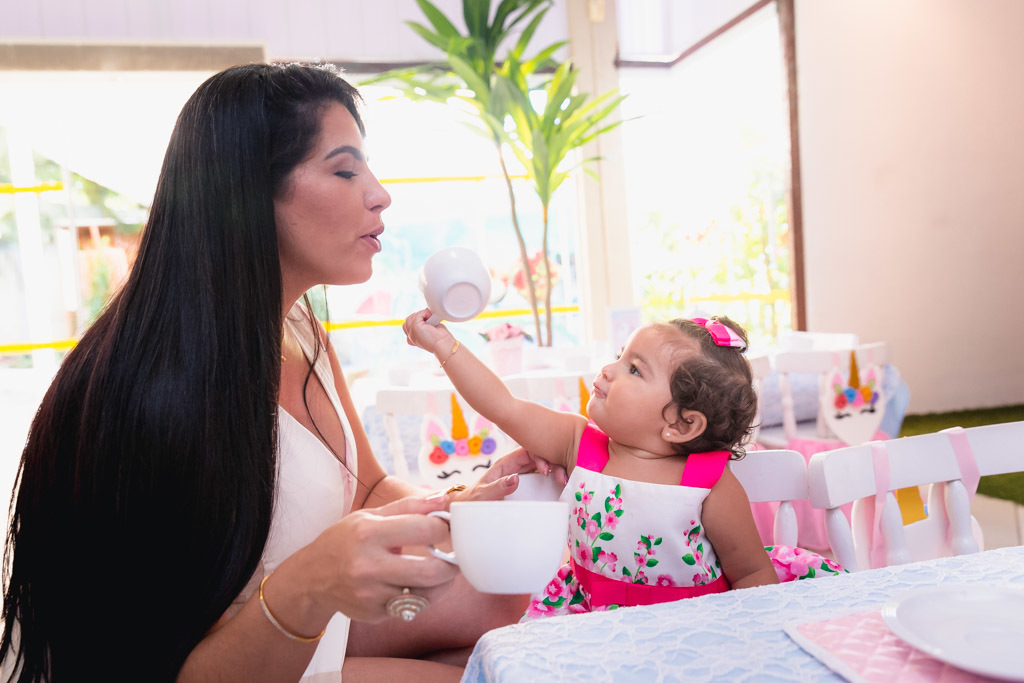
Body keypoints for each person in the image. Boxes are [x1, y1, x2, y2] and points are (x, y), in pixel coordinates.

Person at [0, 62, 560, 682]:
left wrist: (461, 507)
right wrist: (313, 581)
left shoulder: (300, 328)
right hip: (230, 659)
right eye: (345, 170)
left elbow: (367, 489)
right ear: (246, 193)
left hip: (309, 619)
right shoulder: (157, 393)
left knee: (513, 606)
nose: (380, 193)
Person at [403, 313, 846, 617]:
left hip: (695, 629)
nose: (609, 369)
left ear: (681, 423)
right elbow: (503, 406)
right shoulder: (580, 444)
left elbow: (751, 573)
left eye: (634, 370)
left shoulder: (709, 484)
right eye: (620, 356)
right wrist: (445, 346)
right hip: (592, 622)